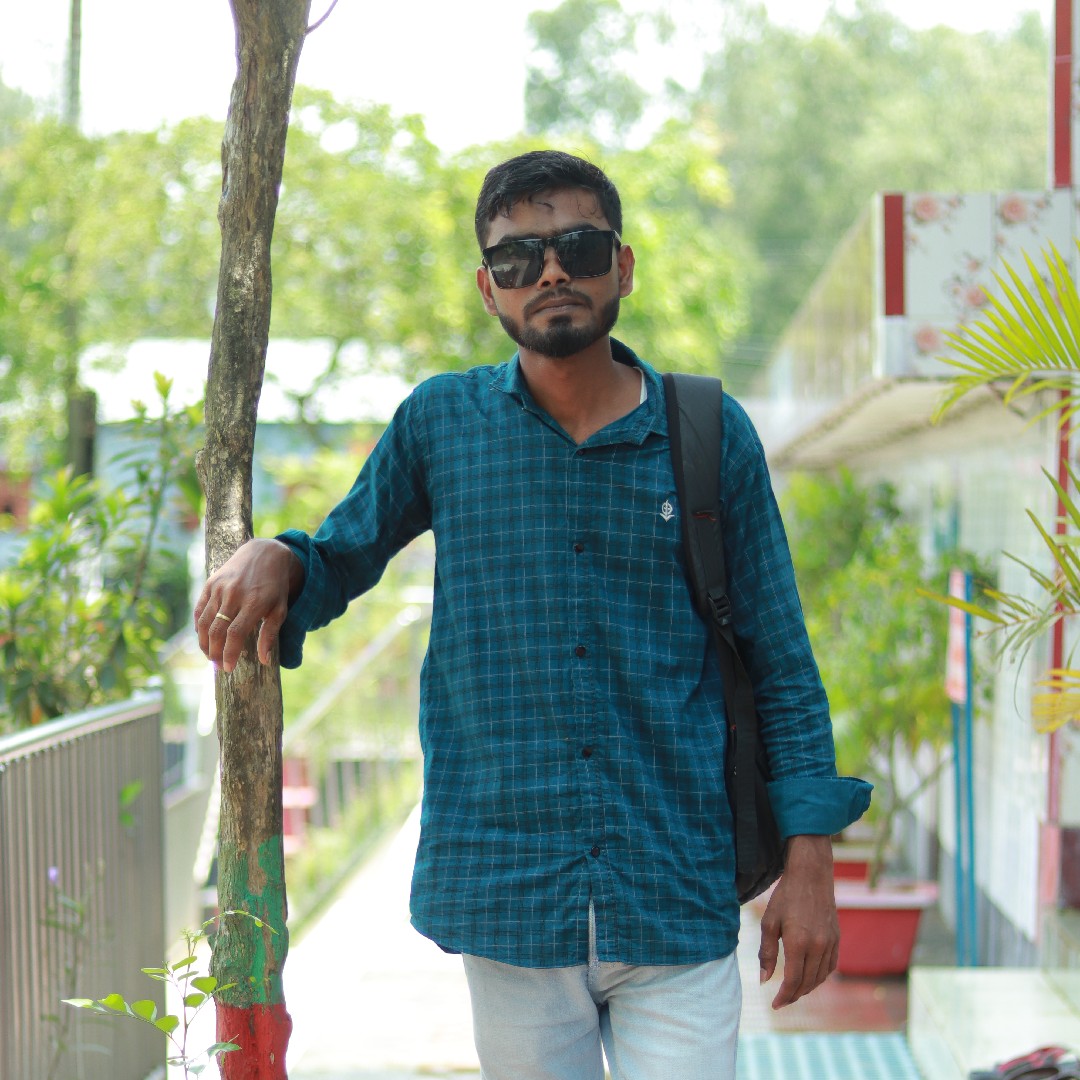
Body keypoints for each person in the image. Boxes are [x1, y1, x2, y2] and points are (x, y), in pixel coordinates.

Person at [195, 149, 871, 1080]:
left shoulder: (710, 435)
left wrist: (811, 862)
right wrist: (277, 553)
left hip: (674, 886)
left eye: (578, 248)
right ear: (490, 288)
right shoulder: (441, 425)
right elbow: (340, 556)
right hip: (512, 897)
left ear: (621, 267)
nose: (551, 273)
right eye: (518, 258)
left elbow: (781, 663)